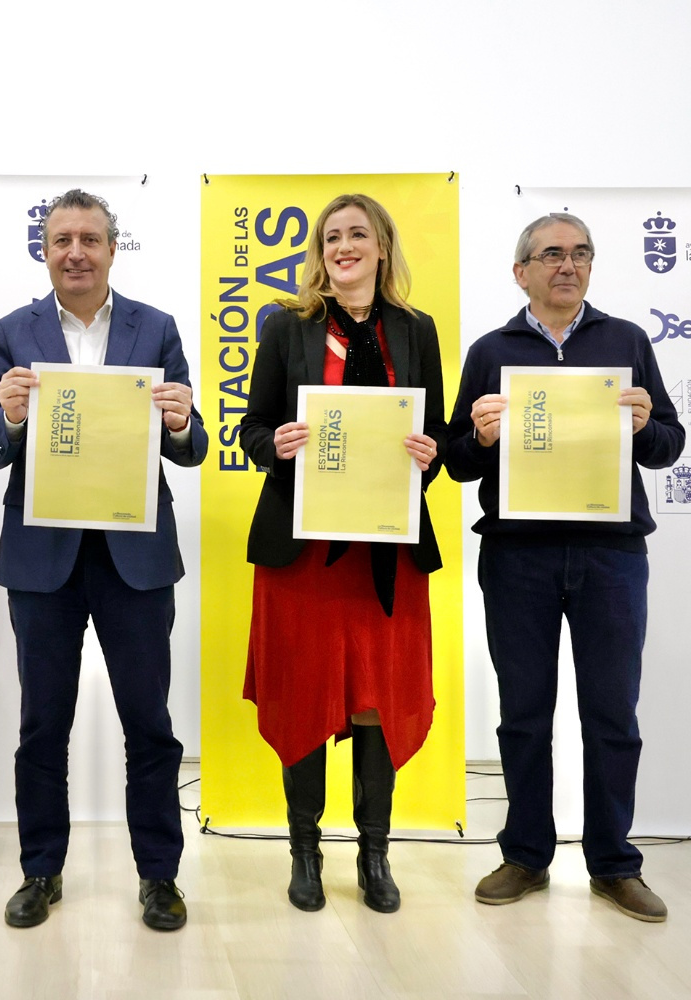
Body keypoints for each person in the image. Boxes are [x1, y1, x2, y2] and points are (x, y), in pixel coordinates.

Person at [0, 189, 207, 931]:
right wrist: (8, 415)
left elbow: (194, 446)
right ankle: (41, 871)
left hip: (136, 559)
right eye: (62, 238)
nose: (76, 250)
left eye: (90, 238)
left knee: (150, 725)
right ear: (45, 248)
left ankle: (159, 877)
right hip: (42, 561)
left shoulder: (156, 327)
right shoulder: (14, 331)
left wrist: (180, 423)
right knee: (43, 724)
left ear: (113, 247)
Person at [444, 212, 685, 922]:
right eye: (552, 254)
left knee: (612, 713)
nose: (568, 265)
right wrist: (480, 438)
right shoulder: (493, 349)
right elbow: (455, 459)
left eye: (580, 253)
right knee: (523, 714)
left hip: (611, 555)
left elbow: (668, 444)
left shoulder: (627, 342)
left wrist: (647, 425)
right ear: (521, 271)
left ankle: (614, 864)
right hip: (518, 555)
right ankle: (525, 855)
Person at [238, 193, 445, 914]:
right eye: (333, 237)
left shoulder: (417, 331)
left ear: (382, 247)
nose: (345, 246)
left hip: (383, 551)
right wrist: (278, 445)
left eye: (359, 234)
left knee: (375, 704)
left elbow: (440, 436)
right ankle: (304, 853)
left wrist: (433, 450)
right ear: (320, 252)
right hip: (304, 552)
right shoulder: (288, 328)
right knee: (303, 692)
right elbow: (252, 428)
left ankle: (375, 855)